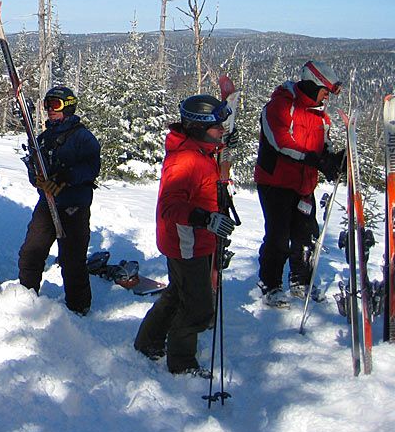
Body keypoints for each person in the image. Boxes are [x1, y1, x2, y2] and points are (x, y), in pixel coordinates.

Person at [134, 95, 236, 376]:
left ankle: (148, 342)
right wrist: (206, 218)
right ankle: (182, 364)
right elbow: (170, 205)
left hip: (196, 238)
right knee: (198, 308)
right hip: (187, 241)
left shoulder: (200, 150)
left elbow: (208, 164)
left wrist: (222, 145)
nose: (222, 130)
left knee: (178, 294)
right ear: (200, 126)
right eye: (217, 126)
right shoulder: (185, 160)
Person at [254, 60, 345, 307]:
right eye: (325, 91)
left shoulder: (321, 117)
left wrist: (333, 160)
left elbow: (322, 147)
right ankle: (270, 283)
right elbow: (281, 142)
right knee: (278, 236)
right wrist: (314, 159)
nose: (326, 97)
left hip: (304, 183)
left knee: (305, 235)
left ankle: (300, 280)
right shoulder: (279, 106)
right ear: (313, 85)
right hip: (276, 181)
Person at [17, 86, 101, 315]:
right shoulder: (43, 138)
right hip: (47, 204)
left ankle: (79, 307)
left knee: (72, 259)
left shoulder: (82, 137)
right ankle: (26, 296)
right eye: (47, 105)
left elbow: (92, 167)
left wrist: (66, 177)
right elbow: (35, 168)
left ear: (69, 106)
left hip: (74, 206)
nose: (50, 110)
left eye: (55, 105)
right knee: (31, 251)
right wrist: (38, 180)